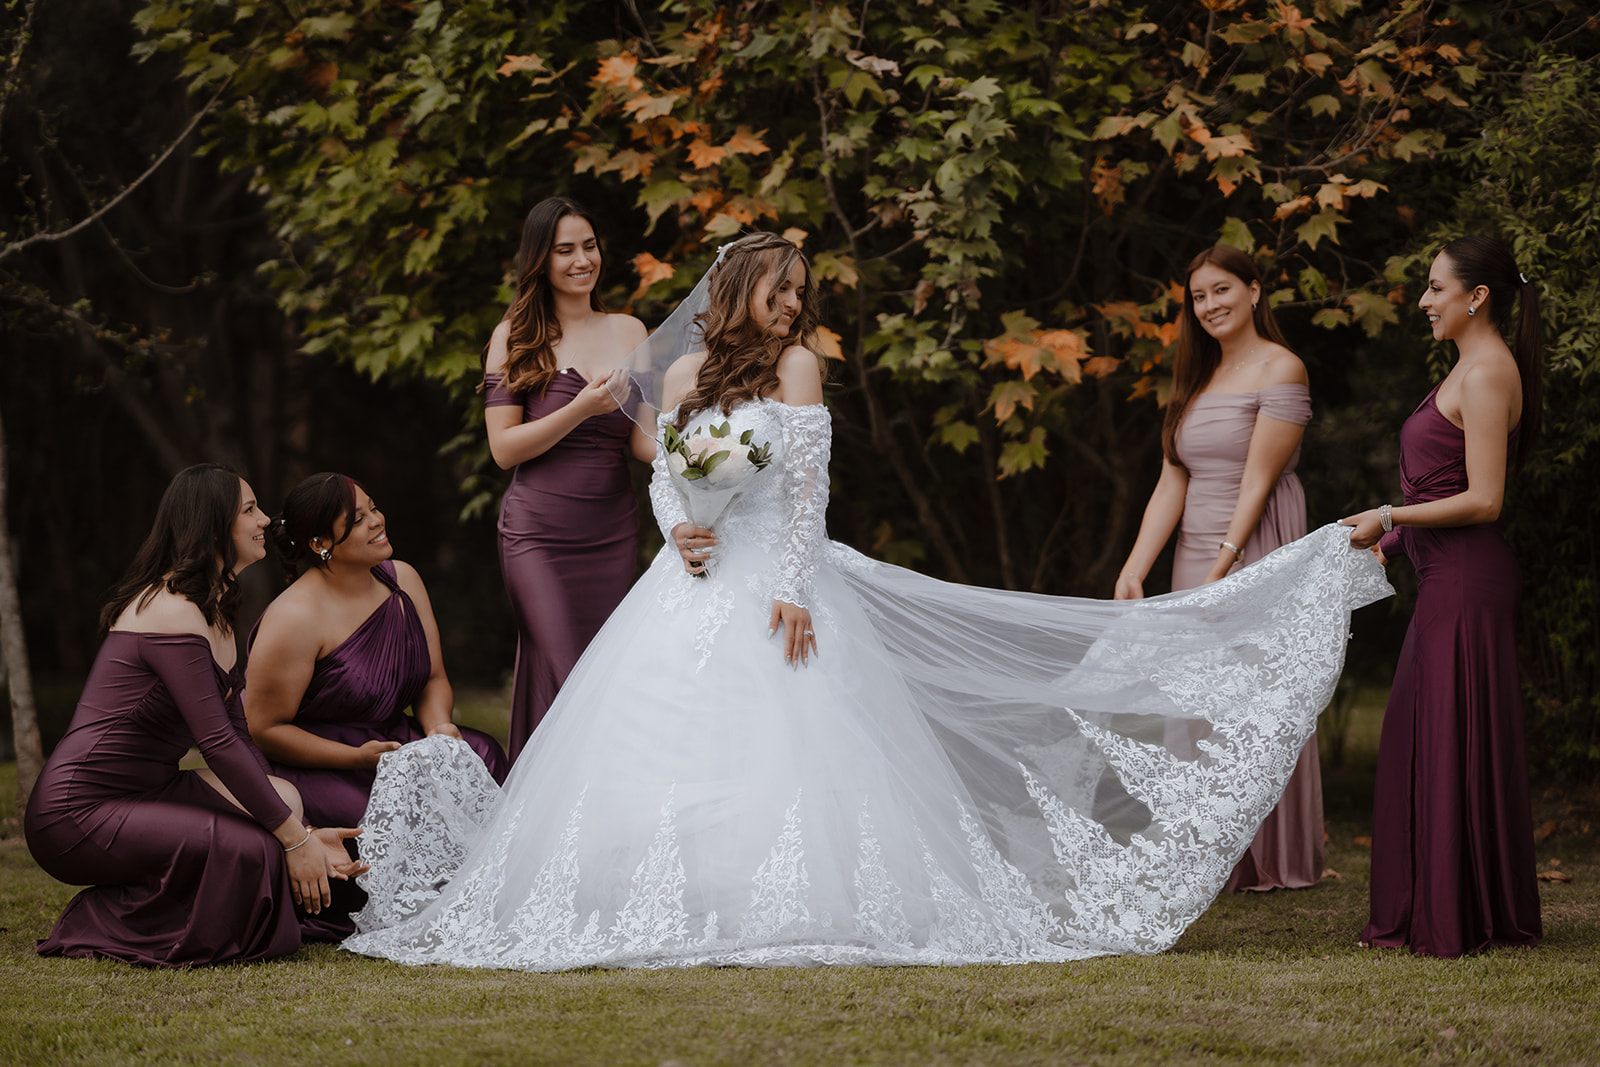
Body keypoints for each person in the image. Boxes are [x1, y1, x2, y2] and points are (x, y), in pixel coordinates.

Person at [341, 232, 1390, 971]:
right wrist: (677, 523)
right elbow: (661, 465)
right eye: (782, 286)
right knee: (658, 734)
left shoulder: (799, 363)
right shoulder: (691, 364)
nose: (795, 303)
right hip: (690, 576)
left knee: (793, 734)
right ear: (743, 283)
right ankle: (671, 893)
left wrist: (795, 588)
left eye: (802, 289)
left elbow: (807, 484)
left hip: (778, 577)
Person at [24, 464, 363, 966]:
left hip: (147, 789)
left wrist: (302, 831)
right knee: (260, 850)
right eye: (250, 510)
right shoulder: (171, 610)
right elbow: (217, 745)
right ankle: (96, 919)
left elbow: (237, 733)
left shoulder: (213, 608)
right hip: (77, 810)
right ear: (213, 527)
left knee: (285, 799)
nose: (266, 519)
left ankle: (185, 899)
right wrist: (293, 843)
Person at [1341, 234, 1544, 957]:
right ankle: (1454, 905)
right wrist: (1374, 534)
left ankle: (1457, 914)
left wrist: (1390, 515)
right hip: (1444, 578)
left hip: (1467, 582)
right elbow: (1437, 491)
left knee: (1439, 737)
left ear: (1476, 296)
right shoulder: (1469, 367)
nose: (1424, 302)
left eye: (1434, 287)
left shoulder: (1489, 372)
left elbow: (1485, 499)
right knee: (1424, 736)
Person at [1113, 245, 1322, 892]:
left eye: (1222, 289)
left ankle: (1273, 856)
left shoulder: (1281, 367)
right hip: (1194, 552)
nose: (1209, 305)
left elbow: (1258, 480)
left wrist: (1226, 566)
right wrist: (1134, 566)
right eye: (1198, 297)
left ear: (1255, 290)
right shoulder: (1195, 380)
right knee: (1198, 697)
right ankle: (1210, 850)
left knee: (1255, 697)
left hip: (1254, 547)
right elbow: (1172, 479)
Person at [243, 472, 510, 938]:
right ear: (322, 542)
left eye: (374, 507)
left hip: (396, 740)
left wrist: (438, 729)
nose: (377, 521)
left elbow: (432, 677)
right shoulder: (294, 617)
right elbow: (265, 729)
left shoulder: (401, 580)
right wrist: (355, 757)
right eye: (358, 518)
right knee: (380, 819)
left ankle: (494, 885)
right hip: (323, 760)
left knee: (481, 754)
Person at [482, 196, 658, 760]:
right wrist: (580, 408)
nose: (583, 260)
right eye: (565, 250)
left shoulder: (631, 328)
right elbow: (504, 450)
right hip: (538, 533)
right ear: (541, 260)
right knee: (564, 671)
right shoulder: (513, 336)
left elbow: (643, 442)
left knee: (606, 676)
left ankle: (595, 820)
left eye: (589, 246)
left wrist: (714, 458)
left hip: (611, 531)